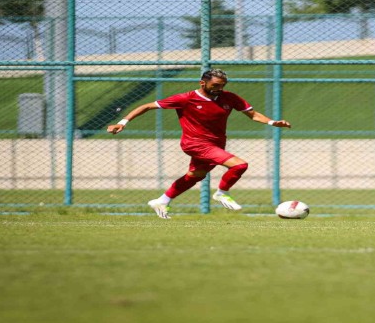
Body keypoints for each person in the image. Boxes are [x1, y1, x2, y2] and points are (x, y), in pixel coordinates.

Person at [107, 69, 291, 219]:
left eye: (222, 85)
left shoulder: (229, 98)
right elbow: (146, 106)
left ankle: (162, 201)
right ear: (202, 83)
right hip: (194, 143)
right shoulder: (185, 98)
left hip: (216, 144)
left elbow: (253, 114)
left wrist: (272, 122)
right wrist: (122, 123)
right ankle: (222, 193)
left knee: (195, 175)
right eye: (215, 85)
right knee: (239, 165)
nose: (219, 88)